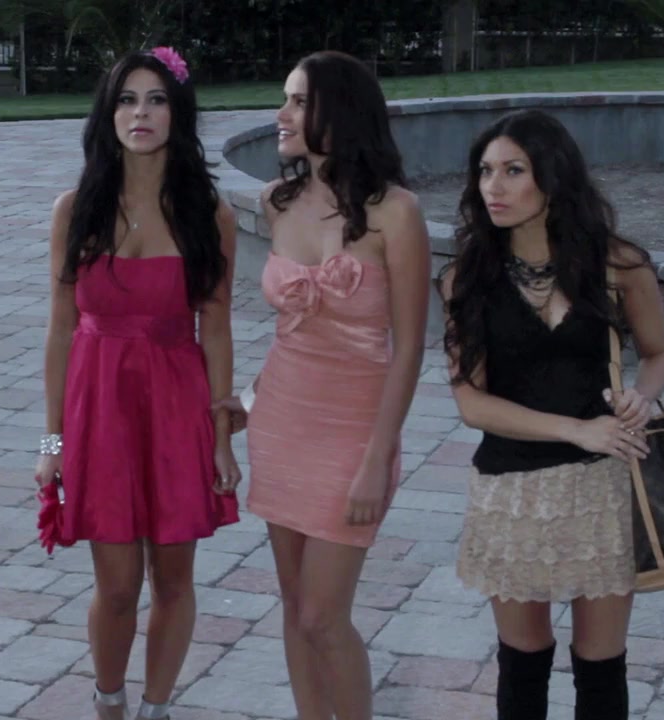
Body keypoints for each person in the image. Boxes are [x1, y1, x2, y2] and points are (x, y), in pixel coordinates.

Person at [439, 109, 664, 720]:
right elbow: (470, 402)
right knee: (522, 662)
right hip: (511, 490)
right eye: (485, 171)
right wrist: (576, 430)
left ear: (553, 175)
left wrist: (642, 396)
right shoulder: (467, 277)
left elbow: (659, 355)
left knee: (601, 667)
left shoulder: (618, 265)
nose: (493, 187)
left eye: (513, 170)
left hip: (602, 488)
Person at [218, 50, 430, 720]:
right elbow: (293, 336)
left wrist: (377, 459)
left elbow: (409, 349)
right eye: (285, 99)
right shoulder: (276, 202)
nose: (281, 114)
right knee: (293, 606)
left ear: (341, 113)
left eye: (299, 101)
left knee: (322, 615)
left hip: (354, 437)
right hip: (281, 425)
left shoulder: (397, 213)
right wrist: (248, 402)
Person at [35, 46, 241, 720]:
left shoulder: (209, 213)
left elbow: (216, 329)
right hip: (100, 412)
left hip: (178, 406)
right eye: (127, 100)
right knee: (118, 584)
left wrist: (220, 436)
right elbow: (60, 331)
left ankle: (156, 707)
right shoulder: (75, 210)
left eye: (156, 100)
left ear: (177, 114)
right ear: (108, 114)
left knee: (173, 578)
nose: (140, 113)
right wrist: (51, 444)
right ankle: (109, 702)